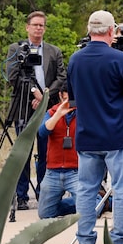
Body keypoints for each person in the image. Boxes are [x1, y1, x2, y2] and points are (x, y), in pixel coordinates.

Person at [67, 10, 123, 244]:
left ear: (89, 31)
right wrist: (121, 116)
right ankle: (119, 242)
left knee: (86, 189)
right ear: (112, 31)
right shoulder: (120, 59)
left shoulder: (76, 60)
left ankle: (85, 242)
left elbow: (73, 101)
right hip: (116, 135)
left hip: (86, 134)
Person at [6, 11, 67, 210]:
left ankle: (44, 192)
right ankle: (21, 195)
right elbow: (12, 76)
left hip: (47, 107)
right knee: (23, 151)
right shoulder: (16, 49)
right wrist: (34, 93)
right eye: (35, 25)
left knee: (45, 151)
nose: (39, 28)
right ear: (27, 27)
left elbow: (61, 76)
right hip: (23, 105)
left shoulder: (53, 51)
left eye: (42, 25)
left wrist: (45, 95)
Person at [36, 90, 78, 219]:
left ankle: (99, 201)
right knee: (45, 214)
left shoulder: (85, 112)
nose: (69, 102)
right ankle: (90, 200)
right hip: (52, 172)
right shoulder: (51, 112)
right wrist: (59, 114)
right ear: (60, 95)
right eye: (66, 98)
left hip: (76, 171)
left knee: (91, 211)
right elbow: (42, 132)